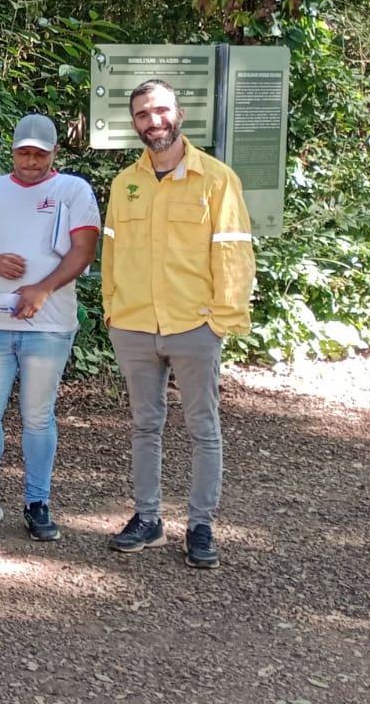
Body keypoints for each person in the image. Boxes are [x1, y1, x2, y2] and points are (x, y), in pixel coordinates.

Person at [101, 80, 255, 568]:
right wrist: (112, 311)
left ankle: (200, 524)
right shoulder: (125, 184)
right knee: (144, 425)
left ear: (180, 114)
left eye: (161, 110)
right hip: (134, 326)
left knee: (203, 428)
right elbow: (111, 253)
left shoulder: (216, 179)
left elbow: (233, 253)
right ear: (135, 123)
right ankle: (147, 518)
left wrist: (221, 321)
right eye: (143, 114)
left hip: (194, 325)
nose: (154, 121)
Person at [0, 114, 100, 540]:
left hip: (49, 325)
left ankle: (38, 501)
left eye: (40, 154)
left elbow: (84, 250)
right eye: (24, 153)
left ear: (54, 153)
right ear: (12, 151)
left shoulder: (73, 190)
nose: (31, 162)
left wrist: (42, 289)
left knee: (37, 417)